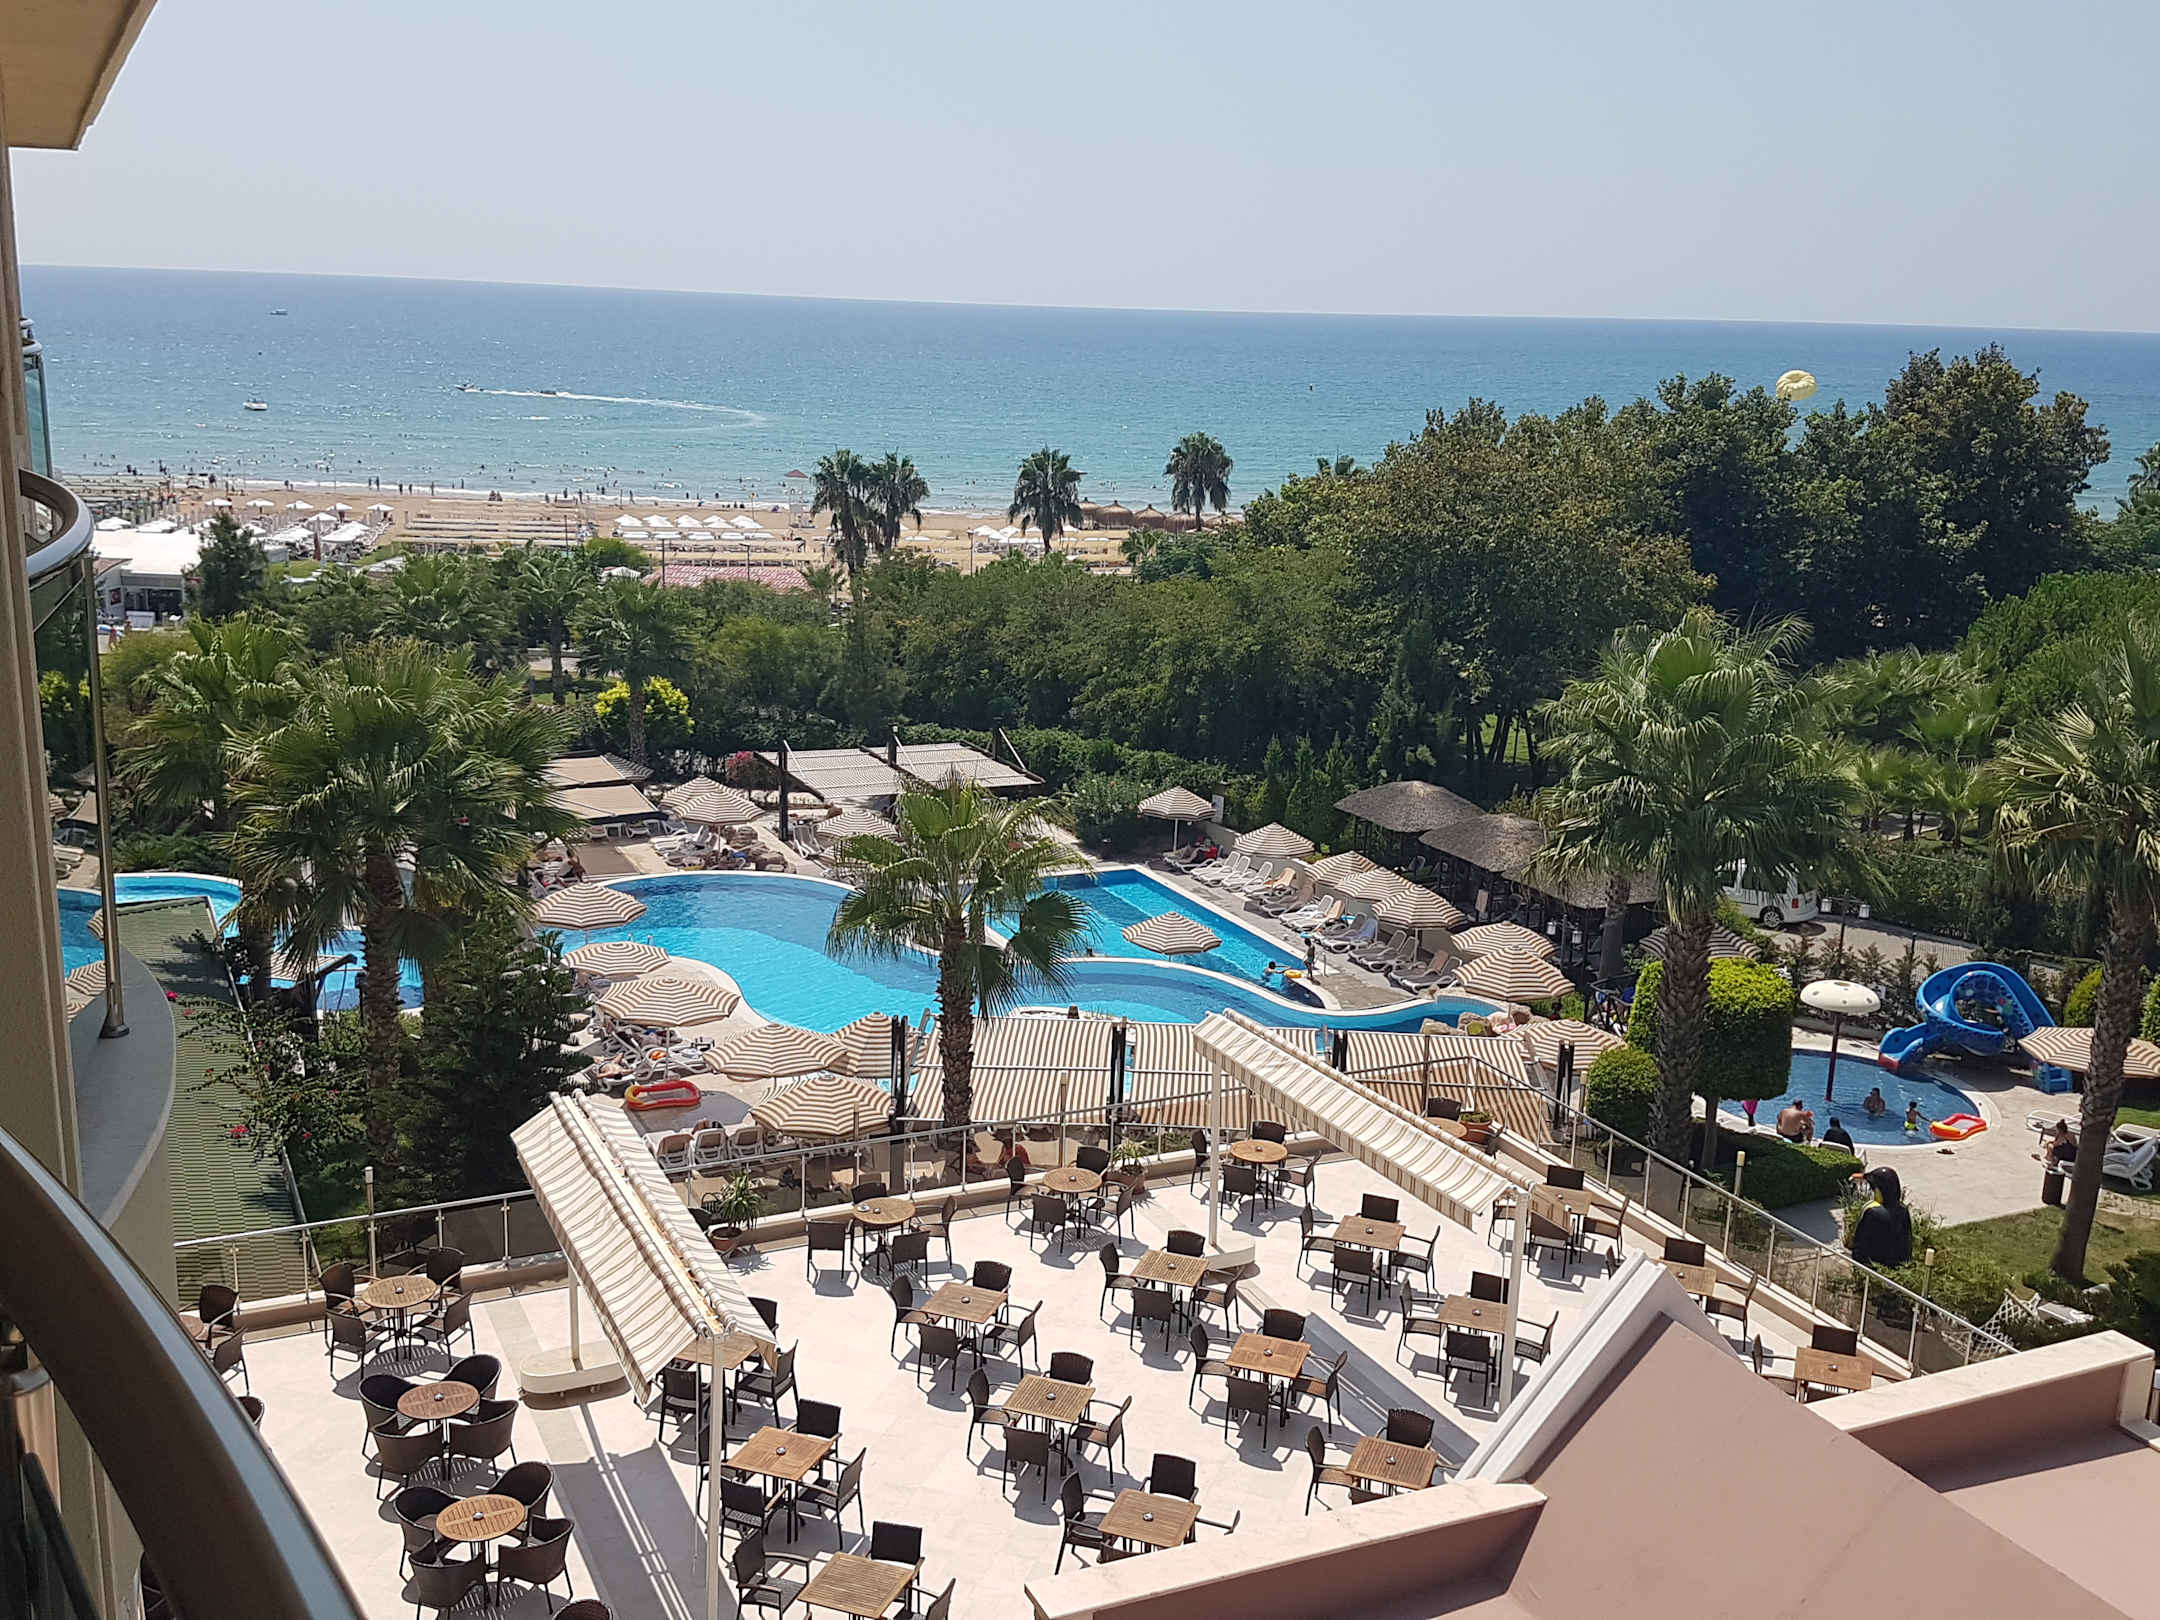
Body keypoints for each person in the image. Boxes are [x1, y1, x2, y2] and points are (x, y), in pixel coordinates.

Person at [1847, 1167, 1914, 1267]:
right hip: (1898, 1266)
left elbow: (1860, 1243)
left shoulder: (1872, 1211)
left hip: (1873, 1267)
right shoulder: (1903, 1209)